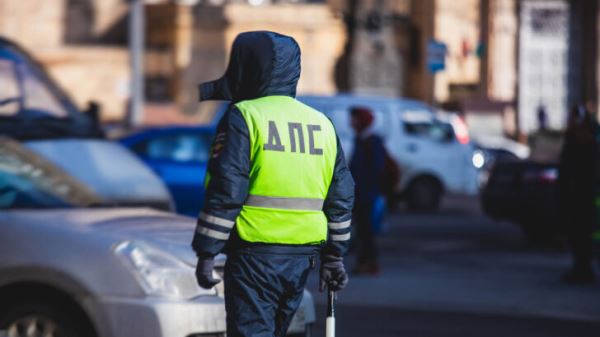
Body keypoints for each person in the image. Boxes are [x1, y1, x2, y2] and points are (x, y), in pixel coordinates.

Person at [190, 31, 355, 337]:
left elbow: (227, 189)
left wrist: (207, 251)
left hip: (254, 255)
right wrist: (334, 256)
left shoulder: (245, 115)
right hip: (301, 259)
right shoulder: (321, 123)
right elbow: (341, 196)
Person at [558, 104, 598, 284]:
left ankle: (583, 269)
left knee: (582, 236)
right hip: (576, 199)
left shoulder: (587, 146)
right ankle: (581, 268)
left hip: (583, 199)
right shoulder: (575, 144)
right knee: (578, 236)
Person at [349, 106, 385, 275]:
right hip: (359, 194)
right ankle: (363, 262)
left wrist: (367, 189)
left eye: (354, 118)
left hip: (367, 195)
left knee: (367, 232)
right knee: (362, 231)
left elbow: (376, 169)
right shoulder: (360, 139)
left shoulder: (372, 141)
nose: (351, 122)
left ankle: (370, 264)